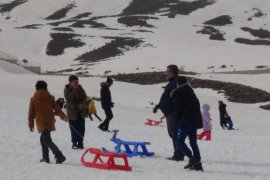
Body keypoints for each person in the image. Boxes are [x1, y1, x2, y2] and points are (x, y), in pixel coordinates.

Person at [28, 80, 67, 164]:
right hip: (49, 121)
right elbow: (57, 108)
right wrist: (63, 116)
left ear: (36, 88)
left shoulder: (34, 99)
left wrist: (31, 124)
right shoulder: (50, 97)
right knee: (43, 139)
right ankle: (45, 157)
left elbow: (31, 113)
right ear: (46, 88)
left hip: (41, 122)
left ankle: (59, 155)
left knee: (46, 139)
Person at [171, 76, 203, 171]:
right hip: (194, 121)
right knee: (193, 142)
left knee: (179, 141)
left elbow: (178, 109)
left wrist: (178, 120)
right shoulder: (191, 92)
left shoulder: (178, 93)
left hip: (185, 121)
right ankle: (197, 161)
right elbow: (197, 106)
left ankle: (192, 159)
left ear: (178, 84)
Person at [153, 65, 184, 161]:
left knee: (174, 134)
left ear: (173, 72)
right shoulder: (172, 83)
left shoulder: (177, 83)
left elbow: (179, 98)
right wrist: (159, 105)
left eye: (168, 71)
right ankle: (178, 153)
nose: (166, 73)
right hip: (169, 113)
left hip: (173, 113)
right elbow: (166, 97)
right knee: (172, 134)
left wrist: (177, 110)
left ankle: (179, 154)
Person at [64, 75, 87, 149]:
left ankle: (80, 142)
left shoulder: (80, 87)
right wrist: (74, 90)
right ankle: (74, 143)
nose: (77, 83)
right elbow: (68, 99)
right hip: (72, 113)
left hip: (81, 112)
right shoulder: (67, 89)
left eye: (77, 82)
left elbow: (85, 97)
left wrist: (82, 104)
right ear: (70, 83)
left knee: (82, 128)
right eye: (75, 82)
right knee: (73, 129)